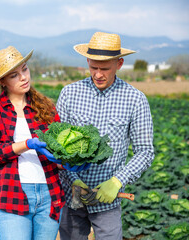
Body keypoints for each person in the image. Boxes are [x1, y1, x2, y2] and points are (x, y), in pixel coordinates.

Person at [0, 46, 90, 240]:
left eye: (25, 70)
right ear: (2, 81)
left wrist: (68, 163)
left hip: (49, 193)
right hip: (13, 193)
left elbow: (56, 154)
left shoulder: (45, 108)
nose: (24, 77)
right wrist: (27, 144)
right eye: (14, 75)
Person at [56, 32, 155, 240]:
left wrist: (118, 181)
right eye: (93, 67)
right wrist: (73, 179)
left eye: (105, 68)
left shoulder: (135, 99)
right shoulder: (69, 93)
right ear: (87, 61)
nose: (98, 74)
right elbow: (58, 148)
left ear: (119, 63)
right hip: (71, 194)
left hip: (108, 199)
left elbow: (145, 151)